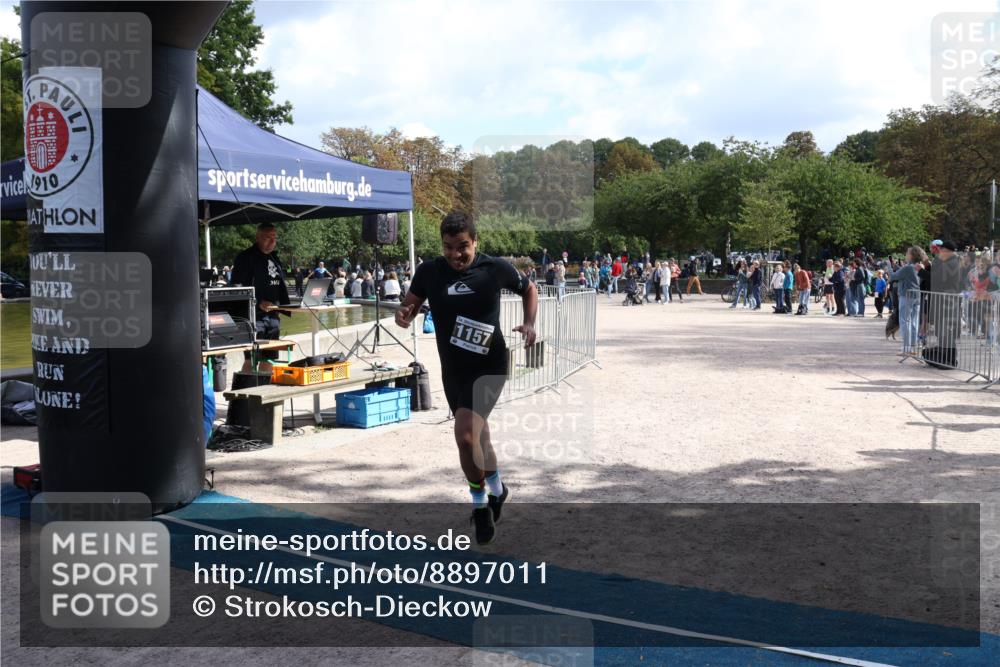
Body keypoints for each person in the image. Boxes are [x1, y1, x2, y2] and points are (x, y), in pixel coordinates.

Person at [395, 211, 538, 545]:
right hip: (454, 370)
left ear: (475, 242)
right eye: (448, 247)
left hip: (490, 365)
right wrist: (404, 314)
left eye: (463, 247)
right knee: (479, 438)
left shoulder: (494, 268)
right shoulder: (429, 272)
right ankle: (498, 491)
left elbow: (528, 288)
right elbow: (410, 306)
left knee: (464, 435)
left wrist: (530, 323)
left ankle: (479, 505)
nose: (456, 255)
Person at [231, 223, 291, 373]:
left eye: (274, 238)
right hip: (252, 318)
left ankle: (264, 393)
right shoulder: (245, 258)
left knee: (270, 358)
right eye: (267, 238)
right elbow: (237, 287)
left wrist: (282, 307)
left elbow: (279, 286)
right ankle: (243, 394)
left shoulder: (275, 258)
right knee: (251, 359)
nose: (272, 242)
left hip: (273, 317)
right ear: (257, 237)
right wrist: (258, 303)